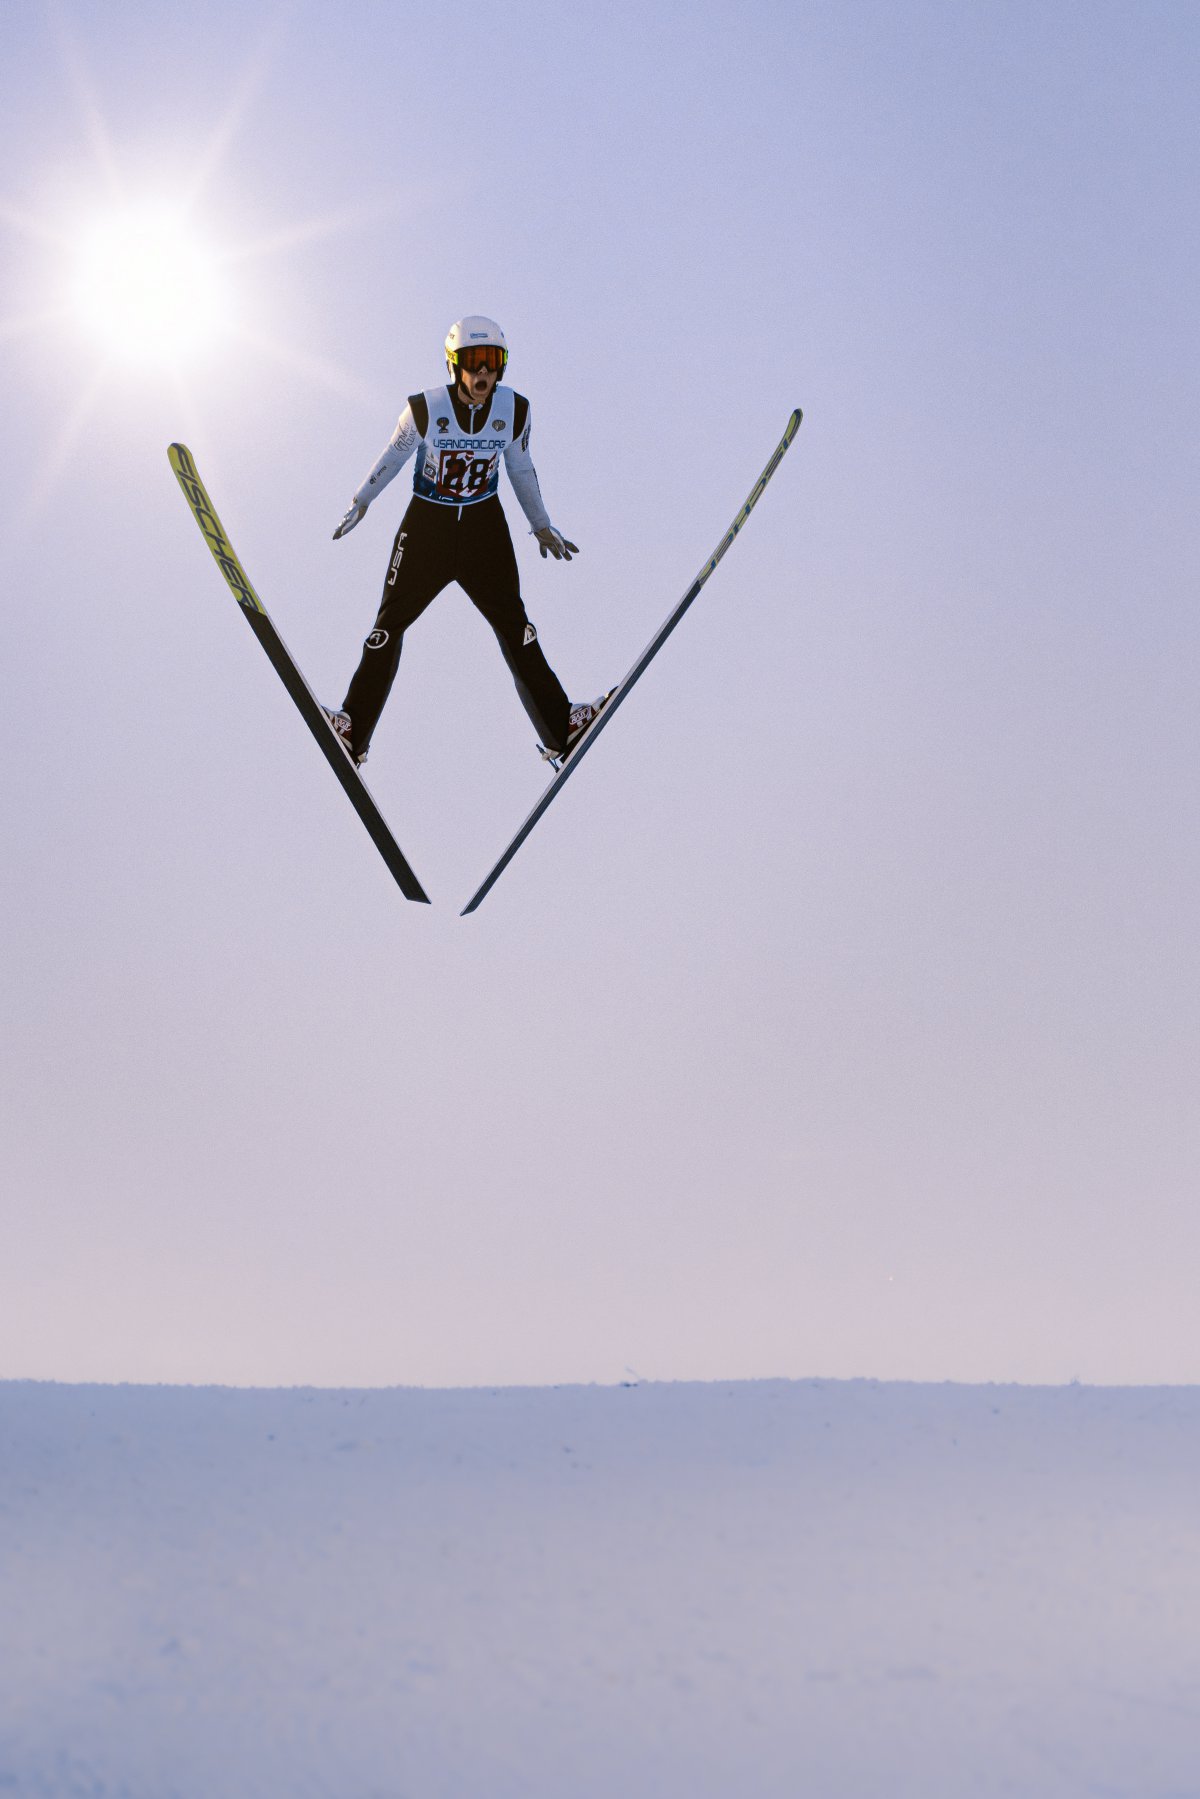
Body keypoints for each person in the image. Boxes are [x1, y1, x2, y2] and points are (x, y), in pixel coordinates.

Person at [324, 315, 610, 769]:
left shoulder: (513, 411)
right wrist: (362, 500)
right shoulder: (425, 408)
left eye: (492, 364)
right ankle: (353, 730)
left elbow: (519, 468)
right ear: (453, 366)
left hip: (483, 528)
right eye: (473, 363)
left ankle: (562, 726)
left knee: (515, 625)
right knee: (388, 625)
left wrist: (540, 523)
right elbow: (393, 457)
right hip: (428, 528)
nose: (483, 375)